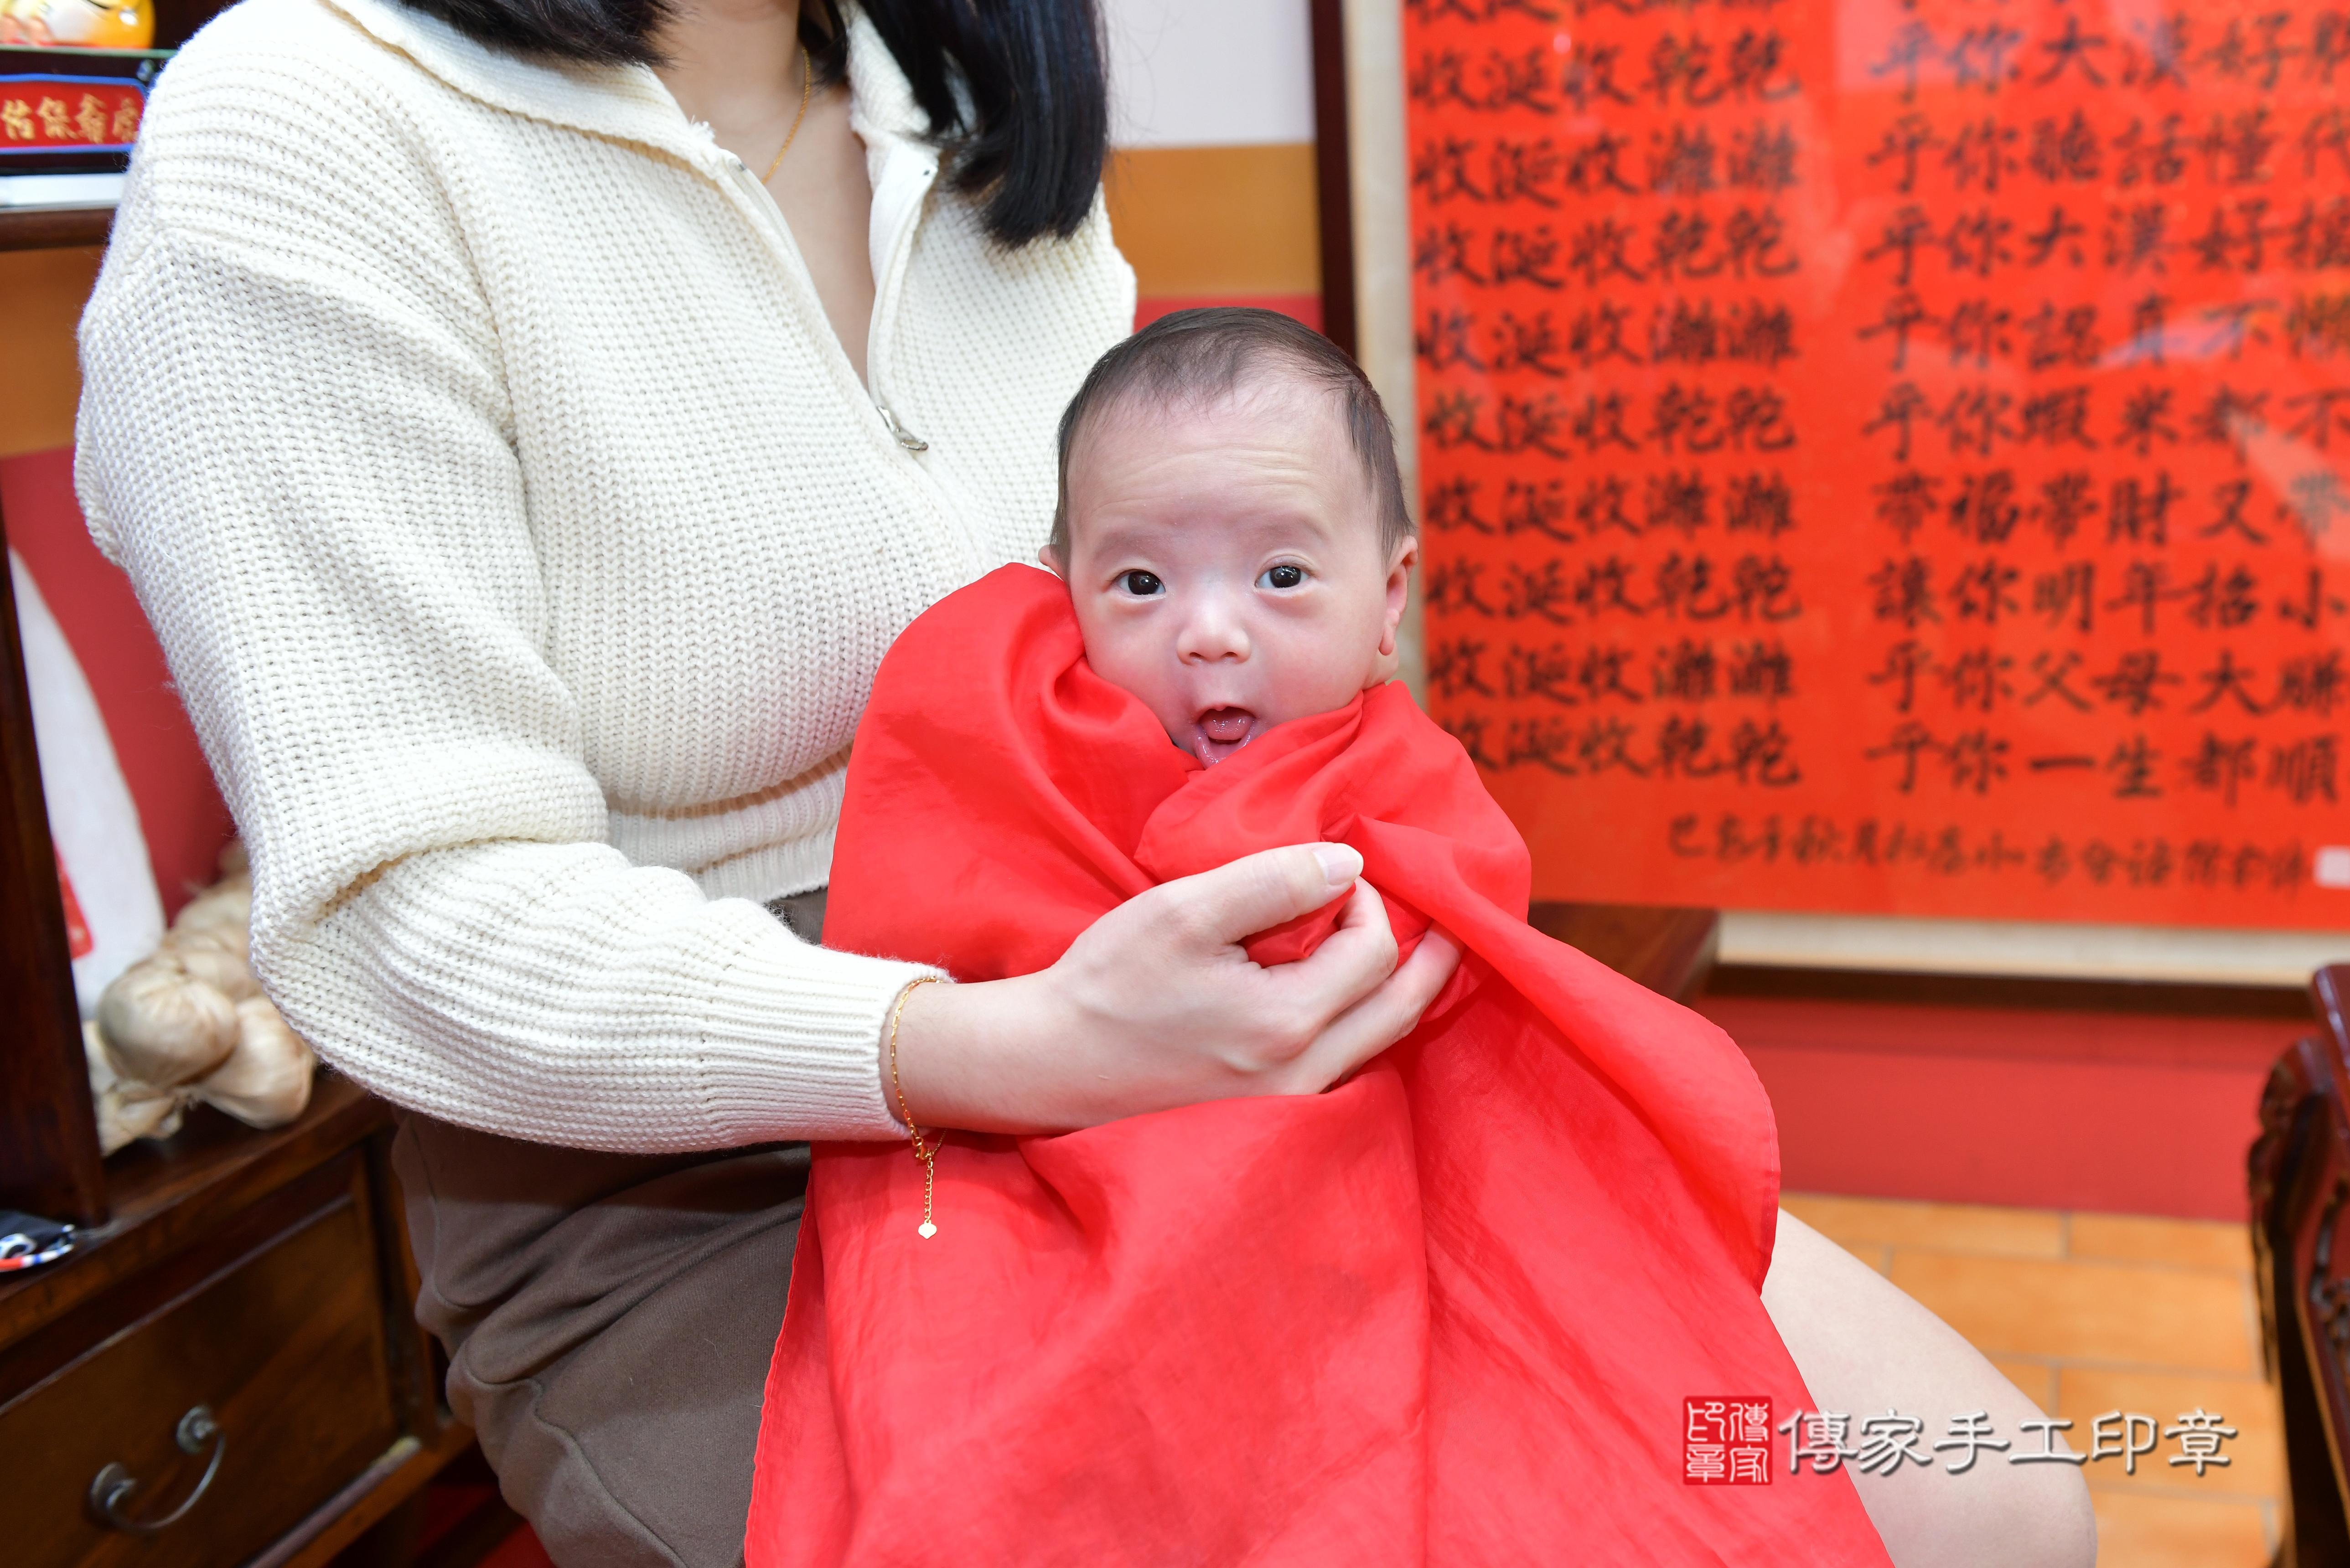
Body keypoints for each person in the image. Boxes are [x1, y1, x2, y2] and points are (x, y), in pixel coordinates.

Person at [73, 4, 1458, 1565]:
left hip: (1164, 1054)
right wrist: (1032, 1044)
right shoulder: (305, 117)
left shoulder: (962, 116)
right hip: (688, 1179)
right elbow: (408, 908)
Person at [751, 310, 2096, 1567]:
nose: (1208, 633)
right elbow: (951, 912)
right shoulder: (1013, 741)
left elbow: (1466, 932)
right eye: (1140, 581)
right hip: (1079, 1149)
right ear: (1062, 590)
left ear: (1387, 598)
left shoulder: (1395, 774)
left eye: (1281, 574)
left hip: (1418, 1152)